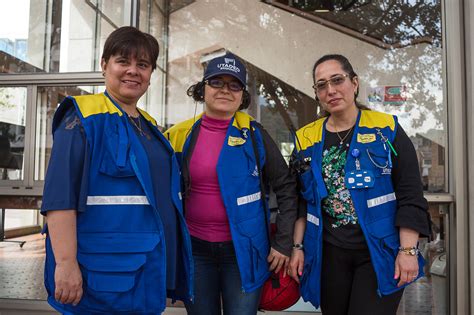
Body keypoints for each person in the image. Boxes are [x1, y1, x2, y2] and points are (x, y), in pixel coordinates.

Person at [40, 26, 193, 314]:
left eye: (143, 65)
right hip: (101, 276)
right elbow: (61, 196)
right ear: (104, 65)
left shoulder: (148, 125)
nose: (133, 71)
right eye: (123, 61)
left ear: (150, 75)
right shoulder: (83, 117)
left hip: (143, 270)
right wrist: (65, 263)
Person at [289, 54, 431, 314]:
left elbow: (410, 194)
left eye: (337, 80)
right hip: (329, 254)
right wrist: (297, 247)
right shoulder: (305, 139)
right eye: (321, 85)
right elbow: (302, 200)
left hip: (379, 251)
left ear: (354, 83)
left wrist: (408, 251)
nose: (330, 90)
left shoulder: (386, 129)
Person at [164, 52, 298, 315]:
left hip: (244, 252)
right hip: (195, 250)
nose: (225, 90)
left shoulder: (254, 134)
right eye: (217, 82)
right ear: (203, 89)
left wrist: (283, 242)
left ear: (242, 95)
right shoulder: (180, 134)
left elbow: (287, 187)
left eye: (234, 84)